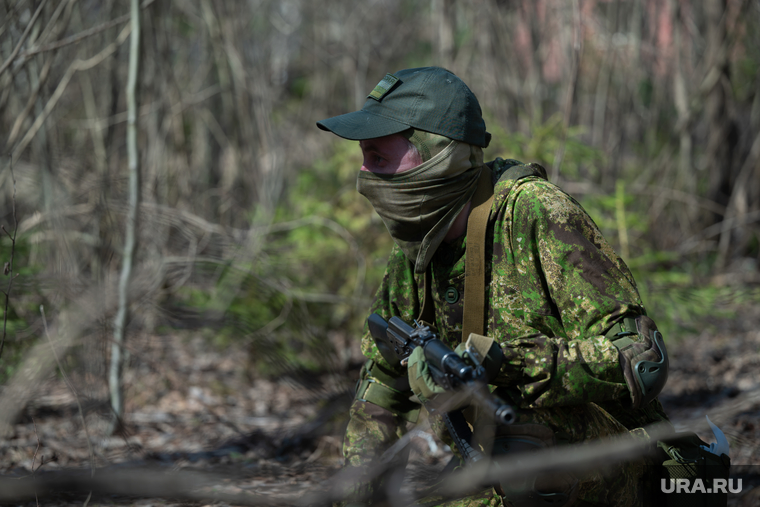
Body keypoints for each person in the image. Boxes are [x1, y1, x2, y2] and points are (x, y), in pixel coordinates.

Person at [316, 67, 671, 507]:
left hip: (614, 458)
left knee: (517, 437)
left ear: (438, 154)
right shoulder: (417, 245)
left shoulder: (535, 213)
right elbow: (384, 387)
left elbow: (642, 361)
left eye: (380, 157)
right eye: (364, 157)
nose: (366, 173)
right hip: (493, 459)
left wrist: (508, 364)